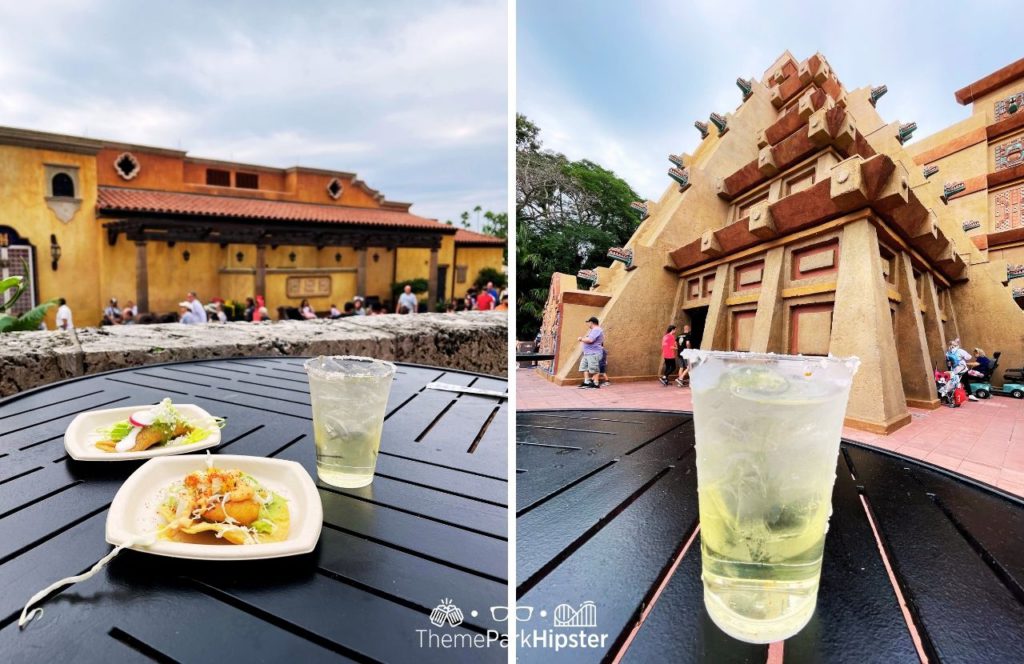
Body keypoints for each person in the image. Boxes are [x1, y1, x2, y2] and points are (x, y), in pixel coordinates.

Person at [577, 316, 604, 389]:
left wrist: (581, 339)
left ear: (591, 322)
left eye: (588, 323)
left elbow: (590, 340)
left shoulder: (596, 329)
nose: (587, 324)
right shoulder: (593, 330)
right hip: (588, 353)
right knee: (584, 368)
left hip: (593, 353)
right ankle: (587, 382)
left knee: (594, 369)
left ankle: (596, 383)